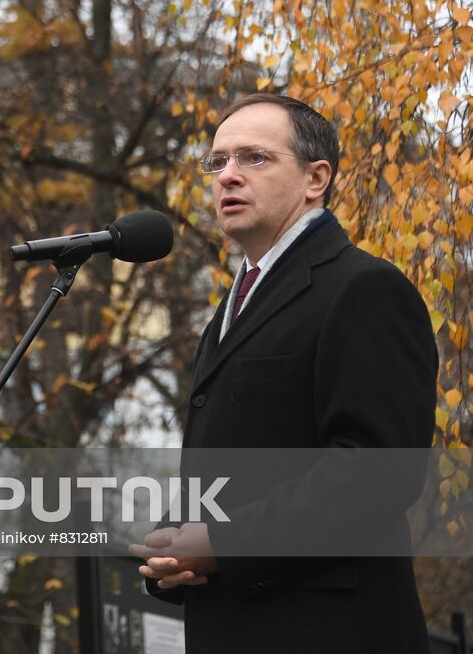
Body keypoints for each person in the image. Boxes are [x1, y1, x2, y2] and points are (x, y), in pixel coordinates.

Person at [131, 94, 437, 653]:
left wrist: (223, 543)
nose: (227, 176)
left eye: (254, 158)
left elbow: (380, 471)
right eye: (218, 161)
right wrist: (176, 548)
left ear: (315, 178)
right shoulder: (233, 307)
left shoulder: (364, 289)